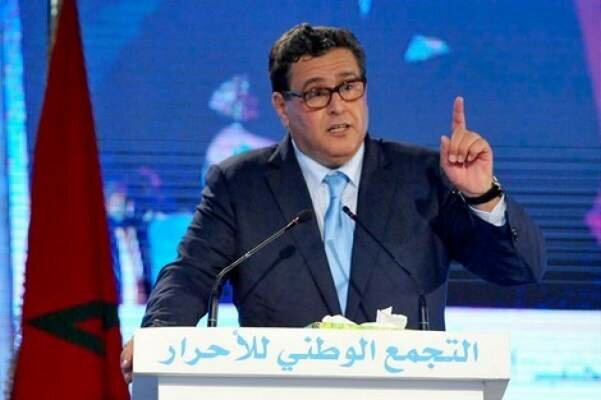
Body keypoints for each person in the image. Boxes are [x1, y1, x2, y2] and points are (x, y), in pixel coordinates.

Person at [121, 23, 546, 382]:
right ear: (282, 107)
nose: (338, 106)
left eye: (348, 87)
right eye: (316, 93)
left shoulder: (424, 176)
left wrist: (482, 195)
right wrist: (159, 336)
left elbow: (520, 269)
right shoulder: (240, 184)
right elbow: (192, 274)